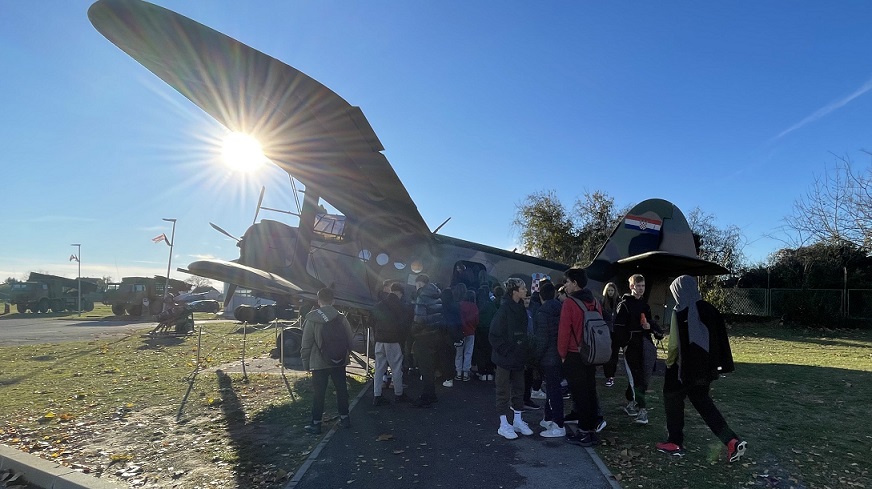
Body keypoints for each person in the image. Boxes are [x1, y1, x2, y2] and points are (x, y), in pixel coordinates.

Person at [657, 275, 746, 462]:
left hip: (682, 369)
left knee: (672, 401)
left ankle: (675, 441)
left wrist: (669, 364)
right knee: (704, 404)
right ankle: (731, 440)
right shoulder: (709, 309)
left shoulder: (680, 311)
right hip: (704, 369)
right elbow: (719, 339)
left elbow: (673, 346)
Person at [558, 267, 603, 447]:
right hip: (592, 353)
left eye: (567, 282)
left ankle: (584, 432)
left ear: (575, 283)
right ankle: (592, 430)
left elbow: (564, 331)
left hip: (574, 354)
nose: (565, 286)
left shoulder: (570, 303)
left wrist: (562, 354)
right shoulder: (595, 302)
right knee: (590, 391)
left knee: (579, 394)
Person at [300, 288, 354, 434]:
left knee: (319, 393)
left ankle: (316, 423)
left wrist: (306, 363)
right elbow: (350, 340)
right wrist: (345, 355)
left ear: (318, 301)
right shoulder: (341, 317)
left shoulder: (311, 319)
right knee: (341, 390)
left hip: (318, 363)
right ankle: (345, 418)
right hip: (339, 361)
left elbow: (306, 344)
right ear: (333, 301)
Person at [614, 274, 663, 425]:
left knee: (643, 376)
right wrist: (625, 344)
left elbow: (650, 323)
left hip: (645, 344)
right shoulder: (624, 305)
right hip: (631, 346)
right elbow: (618, 328)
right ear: (631, 286)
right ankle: (642, 410)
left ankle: (631, 403)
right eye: (638, 286)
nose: (641, 289)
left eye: (643, 286)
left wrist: (655, 331)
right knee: (636, 377)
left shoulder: (645, 305)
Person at [489, 278, 535, 440]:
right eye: (522, 288)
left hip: (518, 357)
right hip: (505, 358)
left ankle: (517, 420)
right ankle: (503, 424)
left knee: (519, 389)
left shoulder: (521, 308)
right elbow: (494, 335)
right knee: (503, 390)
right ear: (514, 291)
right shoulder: (504, 310)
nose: (525, 290)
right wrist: (508, 350)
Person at [532, 281, 565, 438]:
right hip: (560, 355)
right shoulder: (561, 309)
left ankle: (558, 424)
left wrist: (535, 358)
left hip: (548, 357)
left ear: (540, 296)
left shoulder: (541, 313)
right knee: (554, 388)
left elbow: (542, 340)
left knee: (553, 390)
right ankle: (549, 417)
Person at [371, 282, 411, 405]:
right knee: (396, 368)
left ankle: (377, 395)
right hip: (394, 341)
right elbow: (405, 326)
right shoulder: (402, 307)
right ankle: (398, 394)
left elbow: (371, 321)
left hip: (379, 340)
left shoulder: (379, 305)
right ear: (399, 293)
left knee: (379, 368)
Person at [411, 274, 443, 408]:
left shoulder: (422, 296)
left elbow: (420, 319)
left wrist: (413, 331)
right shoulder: (437, 295)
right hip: (434, 334)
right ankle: (432, 394)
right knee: (430, 367)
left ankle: (426, 396)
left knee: (425, 368)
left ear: (419, 283)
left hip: (423, 336)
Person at [474, 284, 498, 381]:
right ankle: (490, 371)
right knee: (489, 351)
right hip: (489, 330)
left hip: (479, 330)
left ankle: (482, 372)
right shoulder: (491, 304)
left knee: (480, 351)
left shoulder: (477, 304)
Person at [455, 289, 479, 382]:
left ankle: (458, 372)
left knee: (459, 353)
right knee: (468, 352)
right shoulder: (474, 306)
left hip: (460, 332)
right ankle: (466, 373)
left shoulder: (460, 305)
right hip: (471, 332)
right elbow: (476, 320)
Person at [600, 282, 620, 387]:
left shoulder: (619, 302)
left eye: (612, 290)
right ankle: (608, 375)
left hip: (616, 332)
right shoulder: (603, 302)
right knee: (607, 354)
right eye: (609, 290)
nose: (610, 292)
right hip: (606, 331)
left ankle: (611, 375)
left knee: (614, 355)